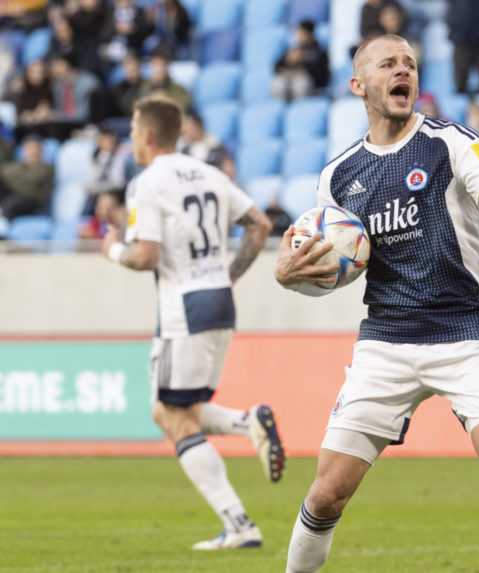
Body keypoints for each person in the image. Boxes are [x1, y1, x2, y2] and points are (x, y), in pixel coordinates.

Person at [274, 34, 479, 573]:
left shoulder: (449, 142)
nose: (404, 72)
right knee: (326, 494)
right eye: (389, 64)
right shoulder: (339, 177)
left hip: (462, 331)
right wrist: (290, 276)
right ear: (359, 85)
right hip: (385, 343)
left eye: (410, 64)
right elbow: (338, 265)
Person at [100, 96, 284, 550]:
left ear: (146, 136)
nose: (130, 139)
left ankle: (240, 524)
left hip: (183, 309)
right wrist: (229, 274)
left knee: (175, 418)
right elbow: (259, 225)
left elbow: (146, 255)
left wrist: (112, 250)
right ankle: (248, 425)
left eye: (132, 131)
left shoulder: (146, 183)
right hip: (219, 299)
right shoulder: (208, 172)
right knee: (169, 410)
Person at [272, 20, 330, 101]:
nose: (299, 36)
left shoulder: (320, 52)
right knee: (278, 83)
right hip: (288, 80)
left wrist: (303, 61)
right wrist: (288, 61)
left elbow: (323, 78)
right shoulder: (293, 50)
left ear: (310, 34)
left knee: (300, 84)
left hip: (308, 87)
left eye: (302, 33)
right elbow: (276, 67)